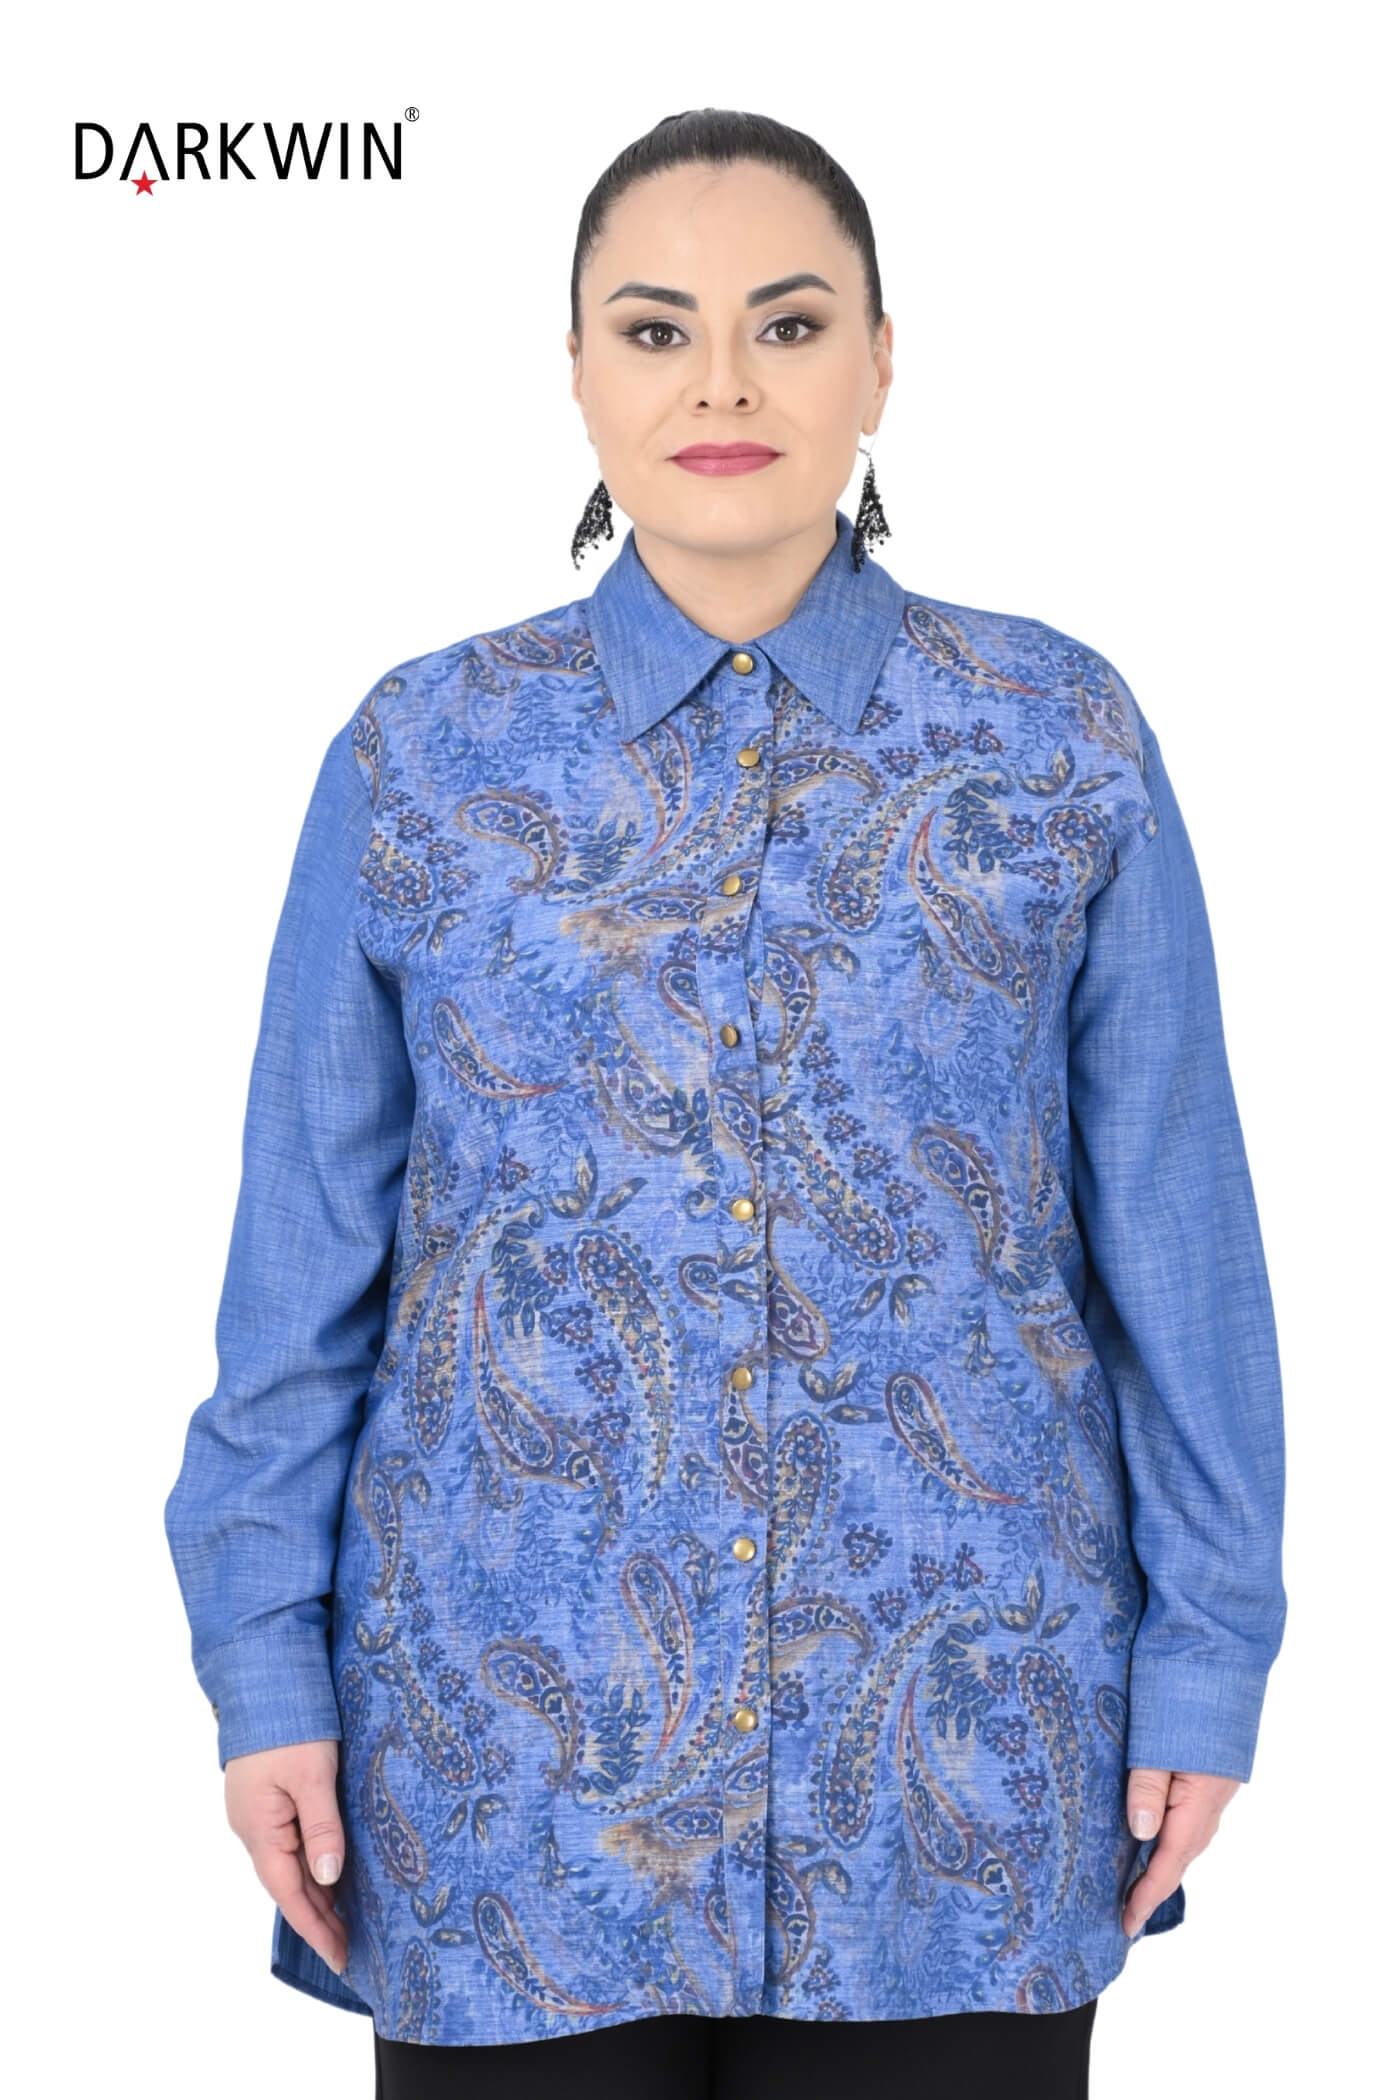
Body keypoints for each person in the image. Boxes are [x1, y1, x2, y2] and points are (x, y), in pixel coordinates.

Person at [164, 107, 1287, 2100]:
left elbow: (1177, 1243)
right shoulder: (422, 757)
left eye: (786, 323)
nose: (723, 385)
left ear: (879, 361)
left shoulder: (1056, 739)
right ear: (576, 371)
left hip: (961, 1785)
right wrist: (263, 1667)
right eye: (655, 329)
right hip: (510, 1788)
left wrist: (1207, 1658)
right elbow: (300, 1278)